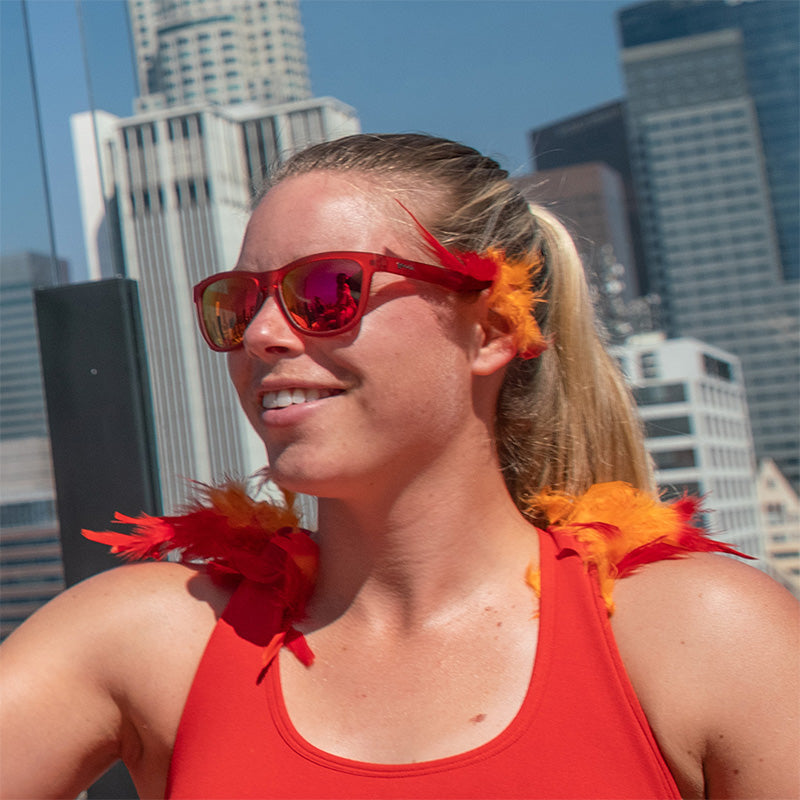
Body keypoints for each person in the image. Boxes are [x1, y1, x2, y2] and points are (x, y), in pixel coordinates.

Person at [1, 133, 797, 800]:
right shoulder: (152, 636)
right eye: (240, 303)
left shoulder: (701, 638)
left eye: (326, 290)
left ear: (489, 330)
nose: (262, 336)